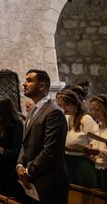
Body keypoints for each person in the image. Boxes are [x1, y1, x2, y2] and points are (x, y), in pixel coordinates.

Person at [16, 69, 69, 204]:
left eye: (29, 80)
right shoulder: (33, 110)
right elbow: (25, 143)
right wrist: (20, 164)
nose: (24, 84)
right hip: (33, 179)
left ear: (41, 86)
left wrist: (28, 171)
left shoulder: (54, 112)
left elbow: (51, 150)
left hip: (49, 181)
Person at [56, 89, 98, 188]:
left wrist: (81, 148)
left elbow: (96, 142)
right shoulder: (66, 118)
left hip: (83, 162)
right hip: (67, 161)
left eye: (65, 105)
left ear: (74, 103)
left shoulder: (86, 119)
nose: (63, 108)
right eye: (60, 106)